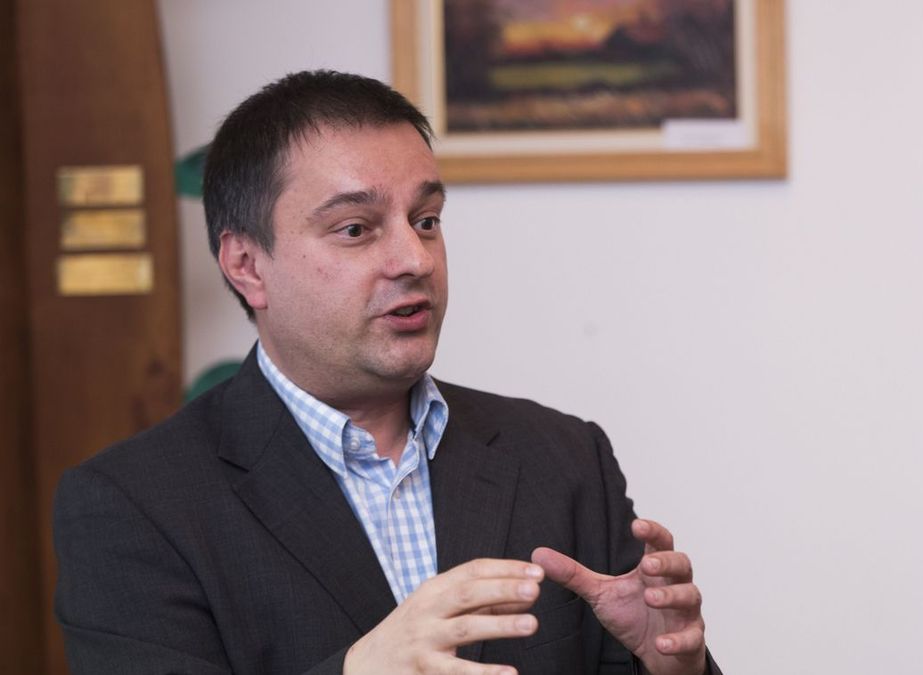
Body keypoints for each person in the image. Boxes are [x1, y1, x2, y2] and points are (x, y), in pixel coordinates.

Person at [53, 70, 719, 675]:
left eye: (426, 220)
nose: (414, 258)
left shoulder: (565, 457)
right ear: (247, 266)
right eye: (356, 228)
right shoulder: (132, 505)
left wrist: (675, 669)